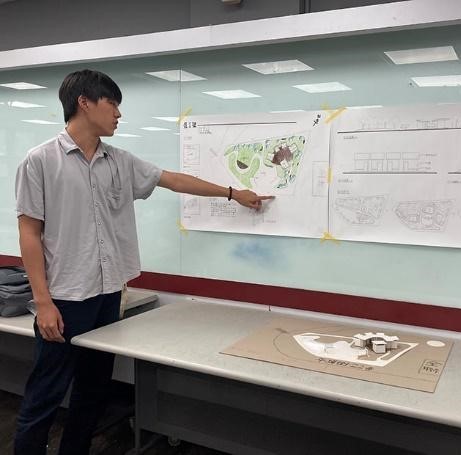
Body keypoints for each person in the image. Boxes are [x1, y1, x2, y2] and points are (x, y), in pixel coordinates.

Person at [13, 69, 273, 455]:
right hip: (64, 299)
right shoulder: (40, 161)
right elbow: (29, 233)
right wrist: (43, 302)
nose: (118, 114)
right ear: (84, 103)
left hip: (107, 295)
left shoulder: (119, 161)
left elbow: (174, 180)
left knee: (93, 390)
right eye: (112, 104)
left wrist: (233, 193)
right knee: (44, 395)